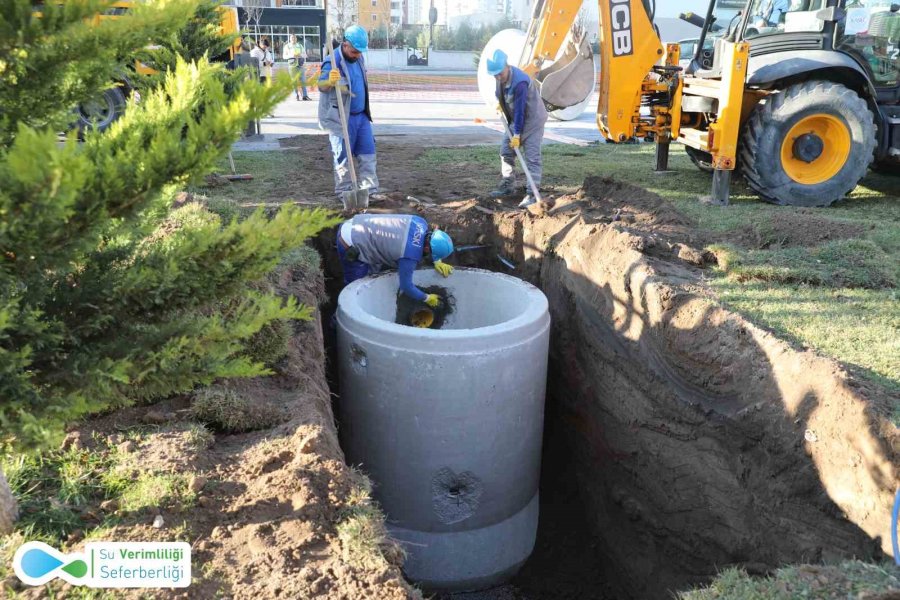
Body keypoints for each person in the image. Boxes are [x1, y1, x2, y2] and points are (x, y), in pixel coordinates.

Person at [318, 25, 382, 200]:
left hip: (361, 117)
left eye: (360, 52)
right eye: (354, 52)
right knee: (343, 159)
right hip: (340, 118)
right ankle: (344, 193)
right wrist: (329, 81)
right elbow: (321, 87)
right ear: (345, 45)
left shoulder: (358, 59)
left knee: (368, 153)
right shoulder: (333, 61)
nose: (358, 55)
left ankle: (370, 190)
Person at [336, 214, 454, 307]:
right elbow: (406, 286)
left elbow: (421, 242)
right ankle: (336, 322)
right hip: (351, 241)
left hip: (358, 223)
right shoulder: (409, 256)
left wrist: (437, 261)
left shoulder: (420, 222)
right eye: (431, 255)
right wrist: (427, 298)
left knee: (373, 273)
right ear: (428, 249)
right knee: (354, 290)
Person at [486, 49, 548, 208]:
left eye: (500, 73)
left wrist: (518, 134)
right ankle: (508, 184)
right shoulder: (500, 78)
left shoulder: (520, 82)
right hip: (518, 120)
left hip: (533, 120)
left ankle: (532, 194)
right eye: (495, 75)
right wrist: (499, 103)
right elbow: (501, 95)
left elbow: (521, 110)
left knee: (532, 157)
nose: (498, 77)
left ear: (507, 66)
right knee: (506, 150)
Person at [284, 34, 311, 100]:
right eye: (292, 38)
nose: (293, 39)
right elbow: (284, 56)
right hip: (292, 66)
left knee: (303, 81)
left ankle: (305, 96)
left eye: (295, 37)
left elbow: (305, 55)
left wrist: (300, 55)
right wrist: (292, 55)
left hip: (300, 65)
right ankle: (296, 96)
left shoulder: (300, 46)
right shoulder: (287, 46)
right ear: (290, 39)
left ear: (296, 39)